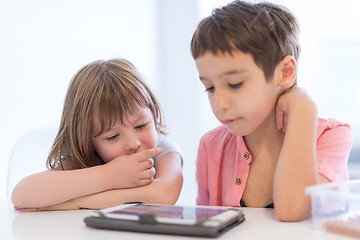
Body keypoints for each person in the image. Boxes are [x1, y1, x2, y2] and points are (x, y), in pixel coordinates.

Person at [191, 1, 352, 222]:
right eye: (209, 87)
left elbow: (292, 210)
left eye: (235, 83)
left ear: (285, 73)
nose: (220, 103)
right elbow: (205, 225)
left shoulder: (331, 137)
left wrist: (304, 107)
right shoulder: (210, 146)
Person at [11, 58, 183, 211]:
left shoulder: (164, 151)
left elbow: (165, 194)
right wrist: (108, 176)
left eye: (141, 125)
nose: (133, 143)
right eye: (112, 137)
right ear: (89, 141)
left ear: (154, 114)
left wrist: (76, 201)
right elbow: (21, 195)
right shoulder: (88, 159)